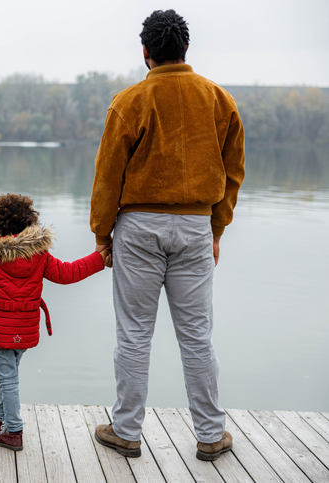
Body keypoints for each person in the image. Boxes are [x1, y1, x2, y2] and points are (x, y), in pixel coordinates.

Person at [89, 10, 245, 461]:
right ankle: (212, 435)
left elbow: (107, 177)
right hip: (196, 226)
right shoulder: (218, 99)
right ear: (186, 49)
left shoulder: (130, 101)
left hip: (138, 227)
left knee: (135, 334)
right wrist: (215, 228)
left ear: (146, 52)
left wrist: (103, 234)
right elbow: (233, 173)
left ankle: (126, 431)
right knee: (196, 335)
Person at [0, 194, 110, 451]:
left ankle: (14, 431)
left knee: (8, 377)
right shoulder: (39, 254)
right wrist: (99, 258)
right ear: (29, 223)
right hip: (25, 328)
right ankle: (1, 415)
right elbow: (67, 273)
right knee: (10, 374)